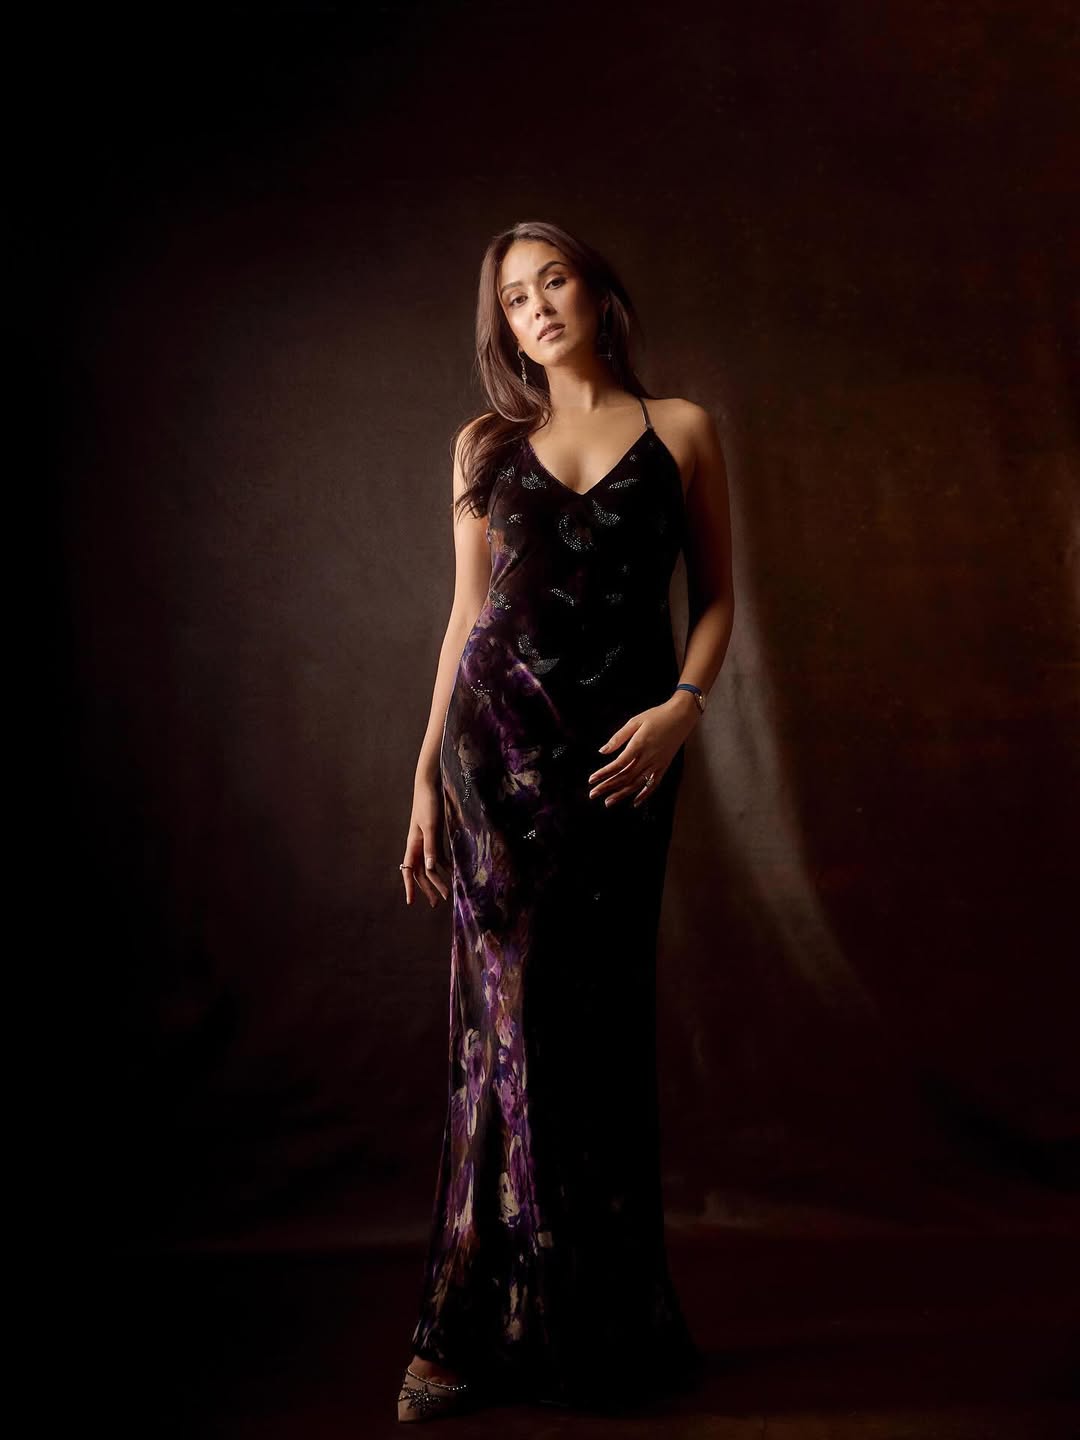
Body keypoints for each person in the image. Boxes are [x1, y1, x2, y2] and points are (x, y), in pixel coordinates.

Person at [396, 220, 734, 1422]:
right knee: (502, 1033)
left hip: (622, 769)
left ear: (596, 293)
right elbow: (465, 618)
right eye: (515, 297)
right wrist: (426, 773)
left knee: (598, 1028)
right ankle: (462, 1329)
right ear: (505, 324)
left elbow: (718, 599)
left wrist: (684, 708)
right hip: (495, 762)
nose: (537, 307)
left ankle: (604, 1321)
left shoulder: (681, 428)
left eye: (554, 282)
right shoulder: (483, 445)